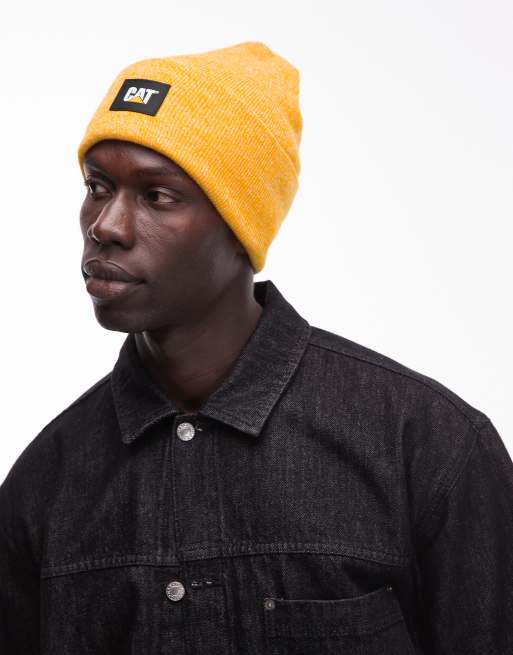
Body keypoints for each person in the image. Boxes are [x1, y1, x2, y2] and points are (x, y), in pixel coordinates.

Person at [0, 40, 511, 655]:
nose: (105, 225)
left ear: (242, 226)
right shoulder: (43, 486)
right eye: (98, 186)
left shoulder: (428, 447)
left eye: (157, 195)